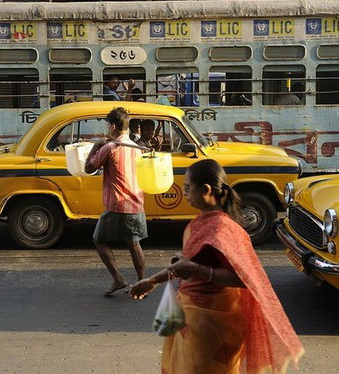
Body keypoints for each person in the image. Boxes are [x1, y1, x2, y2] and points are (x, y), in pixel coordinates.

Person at [129, 159, 304, 373]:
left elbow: (242, 278)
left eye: (187, 188)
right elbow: (188, 263)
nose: (184, 193)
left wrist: (198, 271)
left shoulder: (222, 229)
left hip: (211, 328)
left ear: (206, 189)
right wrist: (153, 280)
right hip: (193, 320)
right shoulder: (201, 221)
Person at [85, 107, 148, 295]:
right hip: (136, 202)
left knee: (99, 240)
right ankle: (142, 283)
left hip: (117, 204)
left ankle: (118, 279)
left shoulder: (109, 148)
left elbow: (89, 168)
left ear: (112, 126)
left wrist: (96, 146)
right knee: (134, 244)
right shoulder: (138, 148)